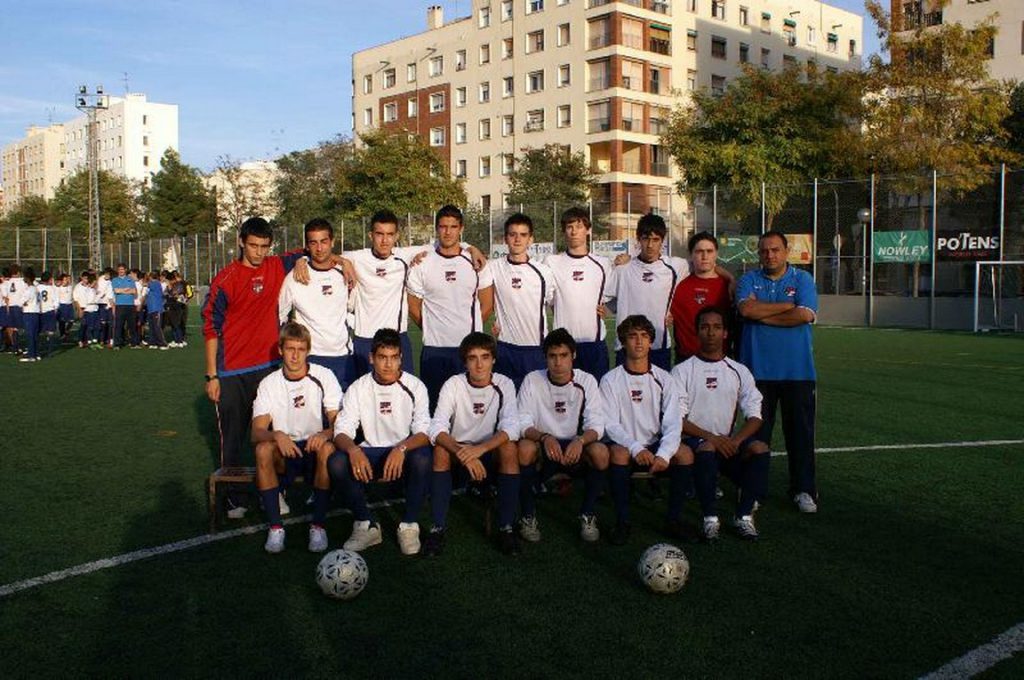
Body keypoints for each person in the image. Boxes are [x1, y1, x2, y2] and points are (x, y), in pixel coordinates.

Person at [202, 217, 321, 519]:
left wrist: (331, 262)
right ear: (241, 242)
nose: (258, 252)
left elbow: (315, 250)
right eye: (253, 245)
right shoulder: (225, 280)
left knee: (274, 433)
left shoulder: (276, 265)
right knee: (233, 438)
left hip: (269, 368)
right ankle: (235, 498)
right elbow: (211, 329)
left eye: (264, 247)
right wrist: (212, 375)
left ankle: (275, 490)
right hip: (231, 372)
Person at [346, 209, 487, 381]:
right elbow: (328, 257)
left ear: (397, 236)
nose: (384, 240)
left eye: (390, 234)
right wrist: (342, 263)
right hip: (365, 339)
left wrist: (470, 248)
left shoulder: (404, 256)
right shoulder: (356, 258)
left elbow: (448, 242)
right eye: (379, 234)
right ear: (370, 235)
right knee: (364, 392)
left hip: (398, 338)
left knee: (406, 392)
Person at [736, 231, 819, 513]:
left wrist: (763, 313)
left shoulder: (803, 279)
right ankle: (753, 491)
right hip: (757, 373)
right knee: (757, 436)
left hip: (798, 373)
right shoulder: (748, 279)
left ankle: (804, 489)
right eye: (764, 251)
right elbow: (746, 311)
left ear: (786, 251)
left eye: (775, 250)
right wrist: (786, 307)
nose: (769, 255)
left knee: (800, 435)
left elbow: (804, 314)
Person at [329, 328, 432, 555]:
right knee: (337, 461)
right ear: (371, 358)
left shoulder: (415, 386)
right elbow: (341, 431)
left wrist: (401, 448)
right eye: (382, 357)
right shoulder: (359, 388)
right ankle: (366, 523)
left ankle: (409, 525)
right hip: (371, 454)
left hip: (403, 453)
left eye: (394, 357)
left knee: (423, 457)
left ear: (401, 358)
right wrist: (354, 450)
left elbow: (424, 433)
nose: (388, 364)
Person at [673, 307, 769, 541]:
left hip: (728, 442)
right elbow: (677, 419)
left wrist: (735, 441)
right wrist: (713, 438)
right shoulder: (682, 371)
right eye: (705, 327)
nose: (711, 333)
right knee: (707, 447)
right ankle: (710, 518)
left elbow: (755, 416)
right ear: (697, 332)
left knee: (759, 448)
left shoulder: (739, 371)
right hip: (695, 442)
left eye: (717, 327)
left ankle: (744, 516)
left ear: (725, 333)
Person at [424, 332, 521, 556]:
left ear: (493, 359)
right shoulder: (453, 384)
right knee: (440, 450)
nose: (479, 365)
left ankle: (506, 527)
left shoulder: (504, 384)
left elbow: (512, 427)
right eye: (472, 358)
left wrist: (480, 450)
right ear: (465, 362)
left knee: (509, 447)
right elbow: (436, 427)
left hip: (488, 449)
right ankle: (437, 528)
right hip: (458, 449)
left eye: (485, 357)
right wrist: (462, 452)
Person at [251, 322, 341, 554]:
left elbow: (339, 424)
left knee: (327, 449)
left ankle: (318, 526)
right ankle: (275, 528)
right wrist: (276, 434)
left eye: (301, 349)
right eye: (290, 349)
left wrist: (325, 433)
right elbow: (256, 432)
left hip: (313, 449)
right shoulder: (270, 383)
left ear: (308, 350)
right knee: (262, 449)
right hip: (286, 450)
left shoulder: (324, 376)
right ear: (280, 350)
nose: (295, 356)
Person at [601, 315, 688, 545]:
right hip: (626, 445)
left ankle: (673, 520)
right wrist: (635, 448)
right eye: (632, 336)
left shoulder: (664, 379)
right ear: (622, 342)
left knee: (685, 454)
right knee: (618, 453)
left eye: (644, 336)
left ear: (651, 342)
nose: (639, 341)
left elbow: (673, 421)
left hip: (654, 445)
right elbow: (610, 424)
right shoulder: (610, 380)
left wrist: (664, 454)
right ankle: (622, 522)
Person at [516, 328, 607, 543]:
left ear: (573, 355)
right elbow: (522, 422)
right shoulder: (532, 380)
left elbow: (597, 424)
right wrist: (544, 437)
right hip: (543, 445)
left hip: (575, 446)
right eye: (552, 356)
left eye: (564, 355)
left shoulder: (586, 381)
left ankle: (587, 513)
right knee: (524, 448)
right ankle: (528, 515)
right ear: (545, 357)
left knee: (601, 452)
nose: (558, 362)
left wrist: (580, 440)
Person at [407, 205, 495, 408]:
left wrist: (469, 333)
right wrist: (432, 328)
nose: (448, 232)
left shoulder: (476, 262)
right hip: (434, 350)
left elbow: (487, 304)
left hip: (468, 351)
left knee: (468, 409)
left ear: (461, 229)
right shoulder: (423, 263)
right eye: (443, 226)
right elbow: (413, 306)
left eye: (453, 227)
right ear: (436, 228)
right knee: (435, 408)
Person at [279, 218, 356, 390]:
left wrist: (344, 261)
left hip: (343, 357)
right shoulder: (295, 277)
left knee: (344, 406)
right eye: (313, 243)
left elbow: (352, 307)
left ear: (333, 242)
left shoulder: (345, 273)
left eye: (324, 241)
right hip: (310, 357)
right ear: (307, 246)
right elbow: (280, 317)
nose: (319, 248)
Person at [485, 212, 555, 388]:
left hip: (535, 350)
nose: (517, 239)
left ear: (531, 239)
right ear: (505, 239)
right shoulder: (493, 267)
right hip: (505, 349)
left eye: (523, 235)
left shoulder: (543, 272)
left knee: (535, 401)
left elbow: (555, 305)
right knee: (505, 400)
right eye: (512, 234)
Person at [612, 213, 689, 371]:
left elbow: (705, 265)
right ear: (638, 239)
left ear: (662, 240)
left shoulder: (676, 267)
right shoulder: (623, 269)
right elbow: (607, 300)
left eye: (655, 240)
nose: (650, 245)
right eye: (646, 239)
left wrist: (729, 278)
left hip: (658, 346)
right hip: (626, 346)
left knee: (659, 386)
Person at [545, 207, 615, 380]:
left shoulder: (602, 264)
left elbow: (614, 298)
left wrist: (607, 310)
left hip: (594, 345)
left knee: (596, 393)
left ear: (588, 230)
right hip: (563, 347)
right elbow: (549, 300)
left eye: (579, 226)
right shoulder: (552, 262)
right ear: (564, 231)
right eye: (569, 227)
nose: (574, 231)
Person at [670, 231, 734, 363]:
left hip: (720, 359)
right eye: (699, 251)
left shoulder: (728, 286)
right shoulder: (678, 284)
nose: (705, 256)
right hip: (686, 359)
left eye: (709, 251)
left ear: (716, 254)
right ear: (691, 255)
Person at [111, 264, 139, 349]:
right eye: (119, 269)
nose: (121, 271)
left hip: (130, 305)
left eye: (122, 269)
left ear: (125, 270)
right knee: (119, 326)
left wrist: (122, 290)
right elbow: (116, 291)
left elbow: (134, 291)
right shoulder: (115, 280)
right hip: (120, 305)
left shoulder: (130, 279)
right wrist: (126, 290)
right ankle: (117, 344)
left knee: (132, 325)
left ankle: (134, 343)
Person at [19, 267, 41, 362]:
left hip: (29, 314)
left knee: (30, 335)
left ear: (27, 278)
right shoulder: (36, 289)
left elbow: (20, 302)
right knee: (34, 335)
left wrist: (23, 303)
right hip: (35, 313)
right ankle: (36, 353)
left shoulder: (29, 290)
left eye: (24, 277)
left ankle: (31, 355)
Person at [73, 271, 100, 347]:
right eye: (84, 278)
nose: (86, 280)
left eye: (87, 278)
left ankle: (88, 340)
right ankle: (80, 340)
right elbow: (75, 300)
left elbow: (96, 283)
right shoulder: (78, 287)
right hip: (82, 308)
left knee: (90, 325)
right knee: (83, 325)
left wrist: (95, 274)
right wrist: (79, 310)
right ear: (81, 278)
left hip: (89, 308)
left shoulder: (90, 286)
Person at [4, 264, 26, 353]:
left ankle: (15, 347)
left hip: (11, 306)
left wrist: (7, 308)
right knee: (20, 328)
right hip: (19, 307)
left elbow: (6, 297)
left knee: (13, 328)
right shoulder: (22, 281)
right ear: (18, 272)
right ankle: (18, 347)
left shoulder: (8, 282)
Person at [145, 271, 169, 350]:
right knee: (151, 326)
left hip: (156, 308)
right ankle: (153, 342)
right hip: (151, 308)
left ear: (151, 277)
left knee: (157, 326)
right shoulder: (152, 284)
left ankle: (162, 343)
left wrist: (145, 279)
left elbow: (146, 284)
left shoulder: (156, 283)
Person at [96, 267, 115, 347]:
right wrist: (100, 295)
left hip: (110, 305)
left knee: (110, 323)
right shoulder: (100, 280)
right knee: (103, 323)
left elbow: (110, 295)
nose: (107, 276)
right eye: (106, 274)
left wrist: (112, 306)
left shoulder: (111, 282)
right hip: (101, 304)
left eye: (109, 275)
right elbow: (97, 290)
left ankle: (110, 340)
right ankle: (101, 339)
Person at [57, 273, 76, 339]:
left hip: (70, 305)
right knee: (62, 321)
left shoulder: (70, 287)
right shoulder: (59, 288)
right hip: (62, 305)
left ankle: (66, 331)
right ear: (62, 281)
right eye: (65, 279)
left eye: (68, 279)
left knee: (72, 320)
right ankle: (62, 334)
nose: (67, 281)